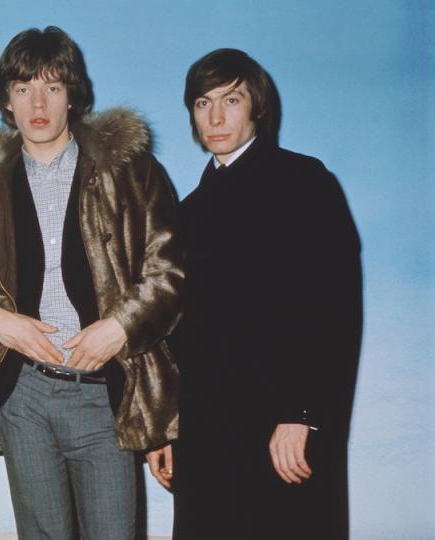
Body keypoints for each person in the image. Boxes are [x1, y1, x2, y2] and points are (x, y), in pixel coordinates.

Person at [0, 26, 184, 540]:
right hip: (24, 396)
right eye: (23, 89)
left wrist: (119, 328)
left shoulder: (129, 171)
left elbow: (170, 271)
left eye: (52, 87)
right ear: (6, 101)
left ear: (72, 95)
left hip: (106, 393)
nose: (38, 102)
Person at [151, 48, 362, 539]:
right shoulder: (185, 214)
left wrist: (303, 413)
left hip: (283, 431)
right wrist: (164, 429)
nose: (217, 116)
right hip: (205, 438)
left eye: (232, 99)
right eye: (203, 104)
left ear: (258, 107)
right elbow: (173, 335)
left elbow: (336, 310)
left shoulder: (305, 182)